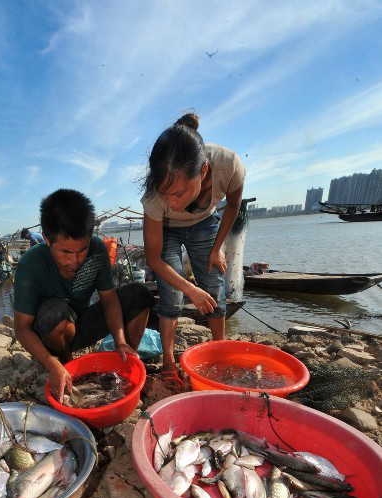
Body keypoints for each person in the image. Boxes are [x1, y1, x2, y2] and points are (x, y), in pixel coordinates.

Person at [14, 189, 154, 402]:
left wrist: (120, 341)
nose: (76, 260)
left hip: (79, 325)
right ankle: (66, 366)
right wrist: (51, 363)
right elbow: (22, 328)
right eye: (66, 253)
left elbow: (109, 299)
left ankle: (126, 362)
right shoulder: (30, 265)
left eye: (82, 250)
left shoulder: (97, 249)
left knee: (139, 293)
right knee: (55, 312)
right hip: (50, 333)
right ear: (46, 239)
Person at [142, 113, 245, 388]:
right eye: (164, 194)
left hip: (204, 224)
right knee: (172, 293)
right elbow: (153, 257)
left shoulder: (229, 164)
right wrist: (189, 288)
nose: (170, 202)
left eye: (177, 194)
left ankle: (219, 350)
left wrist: (217, 248)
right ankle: (167, 360)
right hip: (166, 232)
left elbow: (233, 206)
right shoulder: (154, 198)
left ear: (202, 172)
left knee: (214, 284)